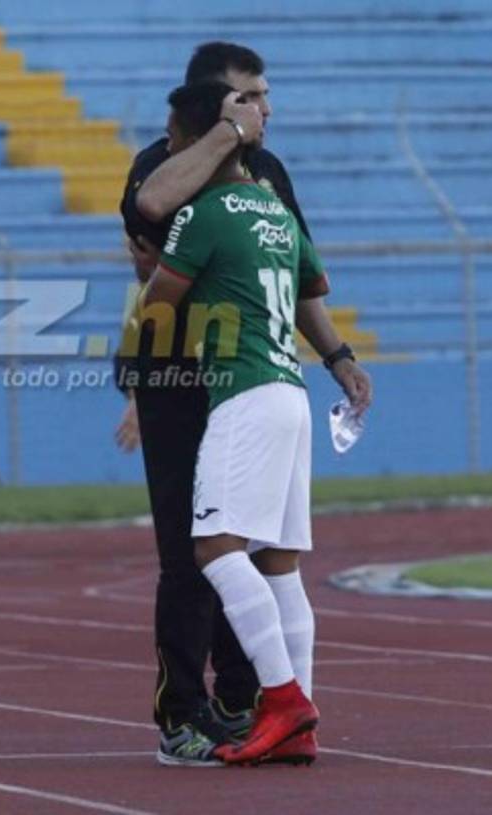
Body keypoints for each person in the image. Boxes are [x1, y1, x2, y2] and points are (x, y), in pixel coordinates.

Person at [138, 79, 372, 765]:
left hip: (241, 395)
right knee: (278, 562)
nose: (168, 154)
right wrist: (340, 358)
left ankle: (282, 698)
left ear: (202, 139)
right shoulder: (274, 206)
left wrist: (156, 271)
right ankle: (301, 717)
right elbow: (309, 290)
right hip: (291, 391)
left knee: (212, 546)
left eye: (175, 142)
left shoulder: (203, 212)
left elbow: (160, 304)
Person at [117, 42, 312, 767]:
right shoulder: (157, 162)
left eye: (264, 94)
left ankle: (246, 701)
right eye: (252, 95)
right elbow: (151, 221)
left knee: (257, 547)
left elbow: (297, 268)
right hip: (178, 379)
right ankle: (182, 714)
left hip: (251, 375)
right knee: (189, 553)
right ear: (218, 102)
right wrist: (227, 140)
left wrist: (339, 356)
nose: (267, 106)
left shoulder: (272, 172)